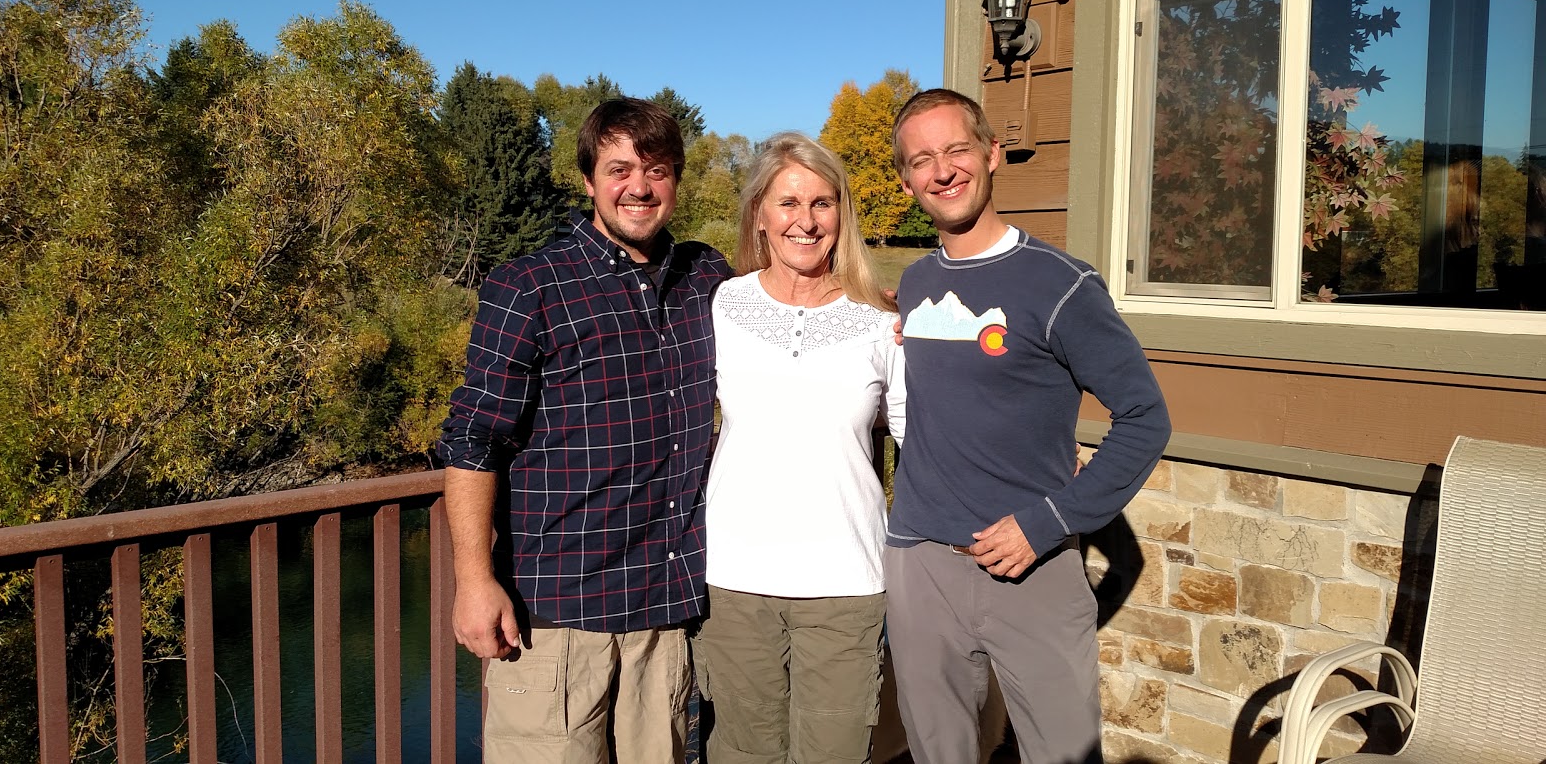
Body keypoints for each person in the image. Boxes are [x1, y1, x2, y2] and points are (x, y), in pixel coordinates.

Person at [438, 97, 730, 764]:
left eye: (657, 170)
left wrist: (878, 312)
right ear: (589, 180)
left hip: (664, 612)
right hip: (557, 617)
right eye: (620, 168)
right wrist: (473, 581)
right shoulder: (530, 286)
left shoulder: (704, 277)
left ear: (677, 181)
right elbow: (473, 439)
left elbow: (790, 306)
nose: (639, 186)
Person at [884, 89, 1171, 764]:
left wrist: (1048, 521)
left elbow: (1144, 418)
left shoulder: (1062, 285)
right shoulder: (916, 284)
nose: (943, 171)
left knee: (1062, 755)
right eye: (923, 160)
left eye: (957, 149)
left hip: (1030, 568)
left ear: (991, 153)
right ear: (906, 182)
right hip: (921, 565)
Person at [692, 132, 906, 764]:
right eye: (787, 203)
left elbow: (924, 439)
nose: (805, 222)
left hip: (846, 582)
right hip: (734, 582)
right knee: (740, 753)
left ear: (842, 214)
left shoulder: (879, 319)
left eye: (821, 203)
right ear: (759, 214)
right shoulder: (724, 305)